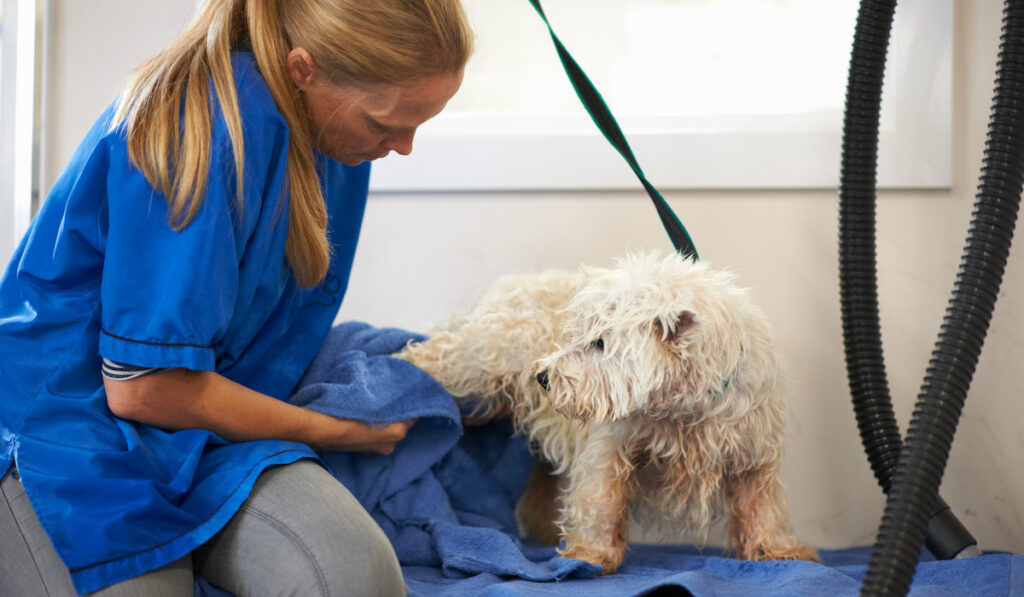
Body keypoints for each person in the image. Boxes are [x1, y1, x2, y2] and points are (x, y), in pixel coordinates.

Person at [0, 0, 471, 594]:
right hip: (65, 432)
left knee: (358, 576)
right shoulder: (199, 128)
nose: (403, 146)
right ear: (304, 69)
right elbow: (145, 386)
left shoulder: (338, 135)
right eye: (384, 123)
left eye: (418, 123)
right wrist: (338, 431)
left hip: (210, 433)